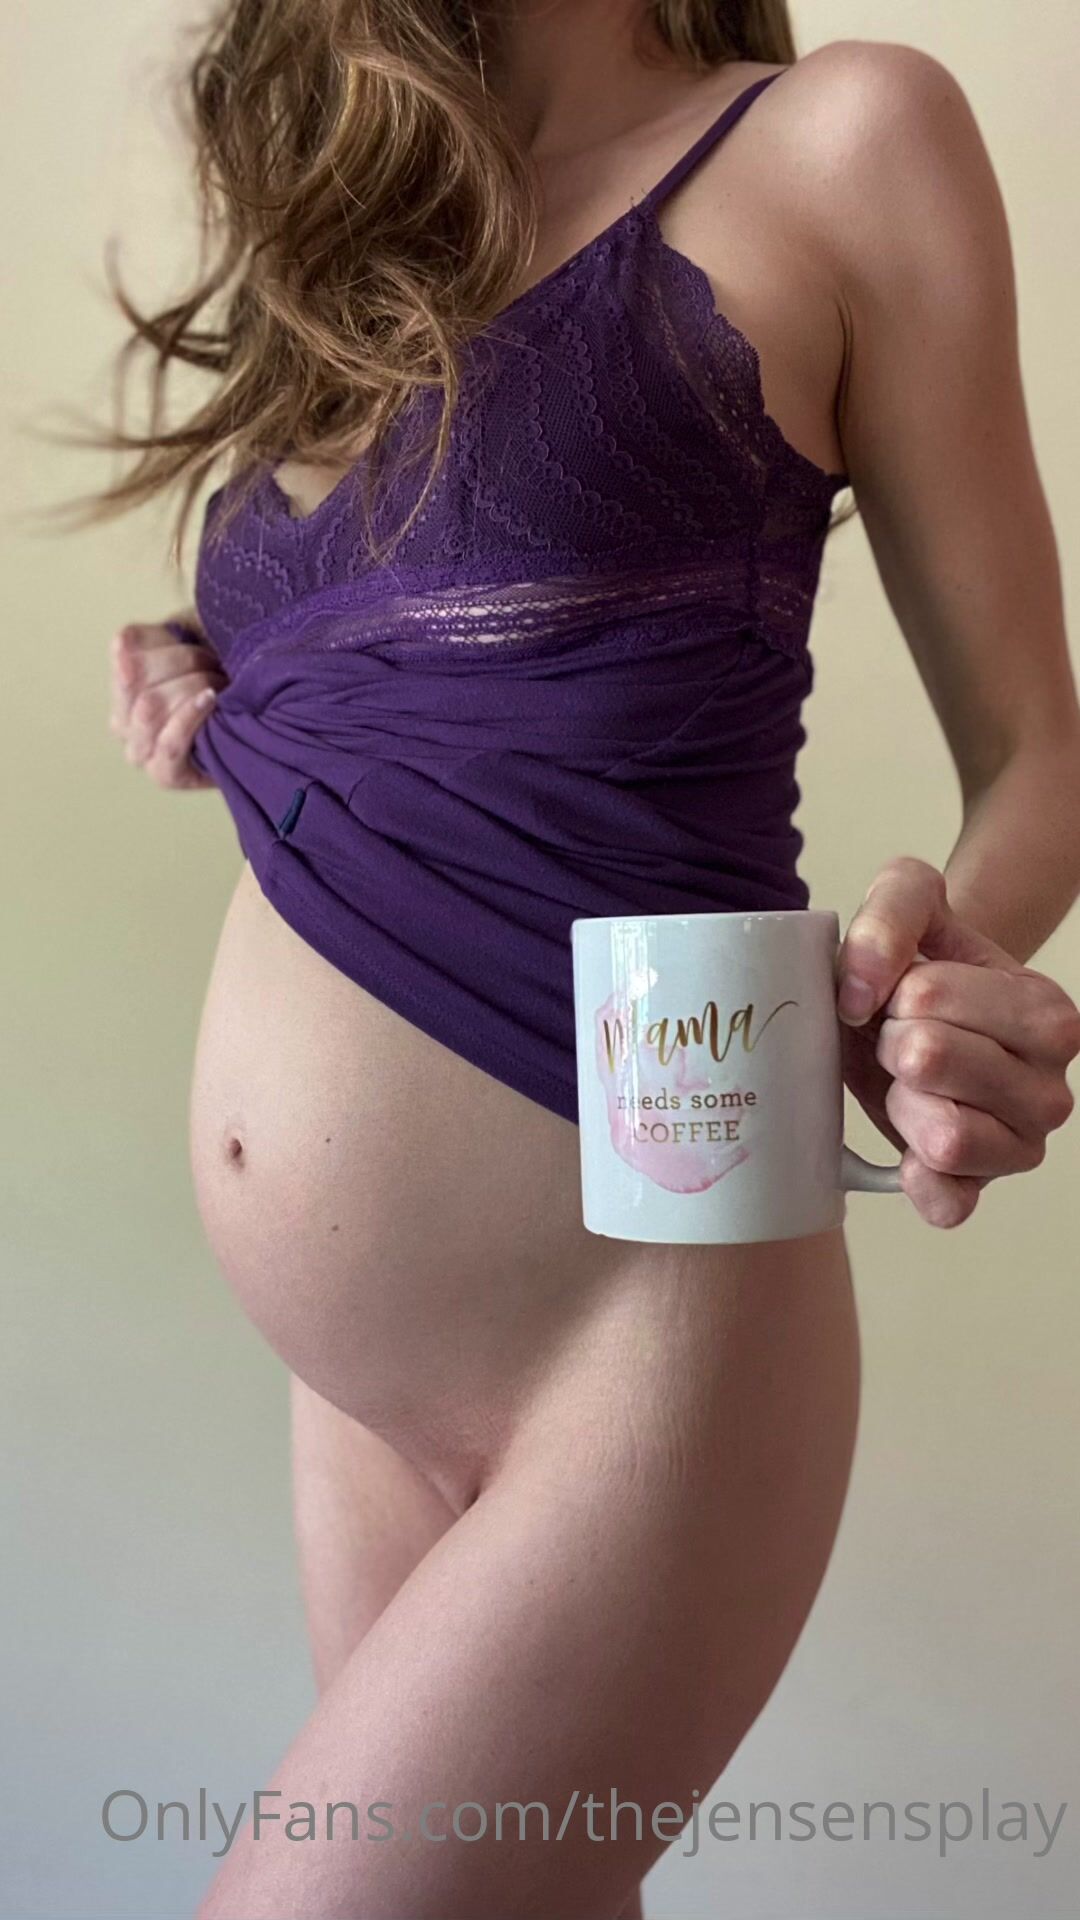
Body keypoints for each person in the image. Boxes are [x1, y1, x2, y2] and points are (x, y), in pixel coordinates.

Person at [98, 5, 1080, 1915]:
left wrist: (948, 957)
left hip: (647, 1315)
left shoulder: (841, 138)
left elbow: (1041, 757)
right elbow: (470, 636)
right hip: (352, 1393)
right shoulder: (368, 232)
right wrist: (232, 668)